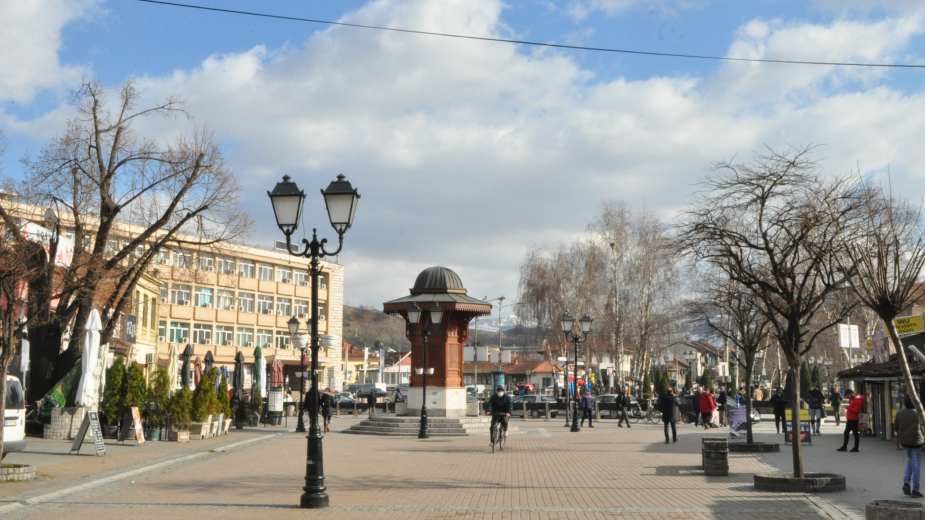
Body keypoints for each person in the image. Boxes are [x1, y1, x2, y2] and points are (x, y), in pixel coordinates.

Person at [896, 396, 924, 497]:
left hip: (905, 442)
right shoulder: (918, 413)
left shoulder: (900, 413)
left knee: (910, 461)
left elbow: (896, 428)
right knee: (916, 464)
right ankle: (915, 489)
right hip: (917, 441)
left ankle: (906, 482)